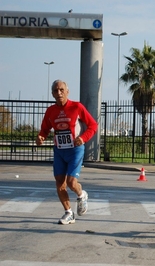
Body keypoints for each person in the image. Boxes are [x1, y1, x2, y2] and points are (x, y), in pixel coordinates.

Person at [36, 79, 98, 225]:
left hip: (75, 150)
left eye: (61, 90)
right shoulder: (51, 111)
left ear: (67, 91)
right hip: (59, 151)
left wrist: (83, 138)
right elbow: (45, 129)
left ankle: (81, 194)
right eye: (56, 91)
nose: (59, 93)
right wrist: (41, 137)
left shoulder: (76, 107)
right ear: (52, 94)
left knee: (71, 182)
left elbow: (93, 125)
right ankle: (69, 213)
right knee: (59, 183)